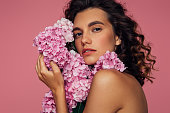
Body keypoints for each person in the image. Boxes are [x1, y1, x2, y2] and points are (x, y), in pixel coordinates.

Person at [35, 0, 156, 112]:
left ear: (117, 37)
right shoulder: (125, 80)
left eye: (96, 29)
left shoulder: (108, 79)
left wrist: (58, 89)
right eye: (78, 34)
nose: (84, 40)